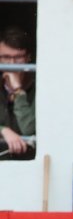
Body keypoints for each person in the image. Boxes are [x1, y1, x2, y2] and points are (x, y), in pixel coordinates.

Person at [1, 26, 35, 161]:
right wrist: (3, 130)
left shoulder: (40, 86)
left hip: (28, 161)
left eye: (18, 57)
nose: (12, 64)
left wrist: (18, 92)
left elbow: (29, 130)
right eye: (6, 57)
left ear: (28, 58)